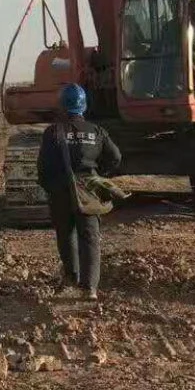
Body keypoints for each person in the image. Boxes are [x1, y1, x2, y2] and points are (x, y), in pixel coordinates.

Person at [36, 83, 121, 301]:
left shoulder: (52, 132)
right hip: (89, 190)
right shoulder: (96, 131)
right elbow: (115, 157)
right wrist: (99, 175)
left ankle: (71, 277)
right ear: (83, 106)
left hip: (61, 190)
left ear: (62, 106)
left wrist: (52, 188)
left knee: (66, 235)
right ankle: (90, 287)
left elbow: (43, 167)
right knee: (90, 236)